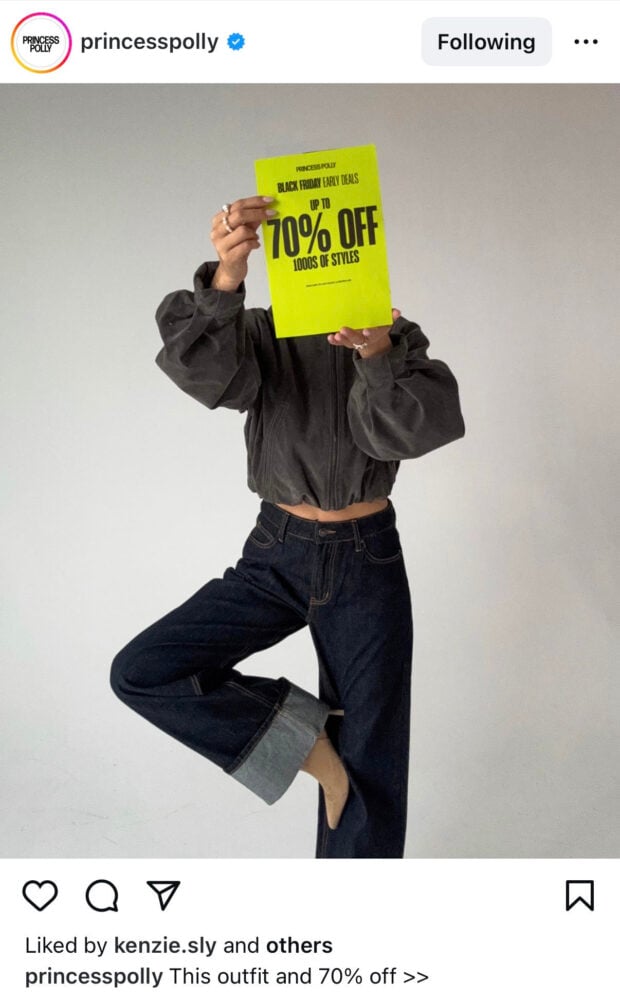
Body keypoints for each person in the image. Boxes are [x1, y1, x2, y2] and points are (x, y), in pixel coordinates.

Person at [110, 195, 465, 858]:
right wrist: (226, 279)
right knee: (144, 670)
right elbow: (205, 376)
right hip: (277, 552)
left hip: (367, 558)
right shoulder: (259, 333)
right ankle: (309, 743)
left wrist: (377, 354)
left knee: (373, 760)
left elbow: (411, 431)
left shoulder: (396, 336)